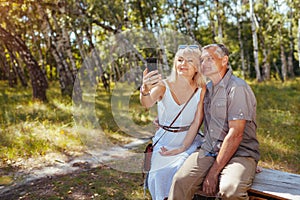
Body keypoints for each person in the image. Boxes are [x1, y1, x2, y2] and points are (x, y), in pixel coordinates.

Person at [168, 43, 260, 200]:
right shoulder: (208, 88)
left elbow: (235, 135)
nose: (204, 64)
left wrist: (213, 172)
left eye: (210, 59)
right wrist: (164, 118)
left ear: (224, 61)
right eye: (202, 60)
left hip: (240, 153)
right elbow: (194, 115)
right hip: (210, 149)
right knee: (180, 181)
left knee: (230, 191)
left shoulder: (237, 88)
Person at [140, 45, 206, 200]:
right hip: (165, 141)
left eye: (190, 61)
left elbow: (197, 122)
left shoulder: (201, 89)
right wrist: (144, 90)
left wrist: (183, 148)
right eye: (180, 60)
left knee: (180, 172)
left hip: (189, 141)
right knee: (157, 175)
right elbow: (147, 103)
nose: (183, 64)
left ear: (197, 67)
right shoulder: (164, 85)